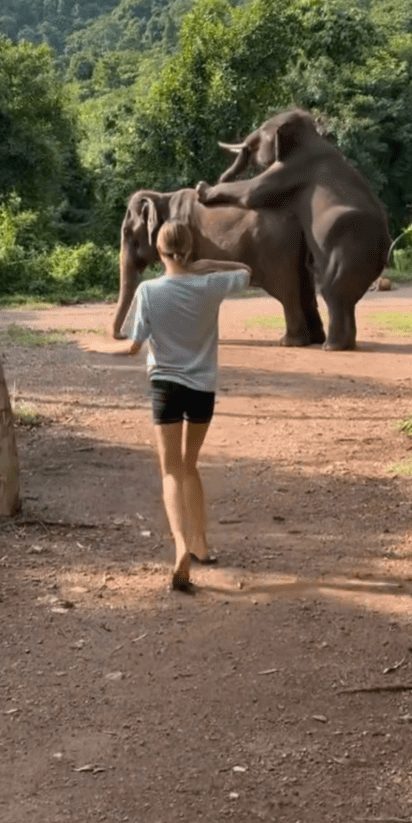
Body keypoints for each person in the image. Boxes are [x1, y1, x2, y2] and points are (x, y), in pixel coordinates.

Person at [116, 220, 251, 593]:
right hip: (202, 388)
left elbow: (134, 343)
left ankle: (180, 546)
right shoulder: (210, 285)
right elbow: (246, 273)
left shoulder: (149, 290)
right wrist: (205, 263)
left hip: (165, 387)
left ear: (158, 253)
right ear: (190, 251)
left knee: (170, 471)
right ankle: (202, 546)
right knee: (191, 465)